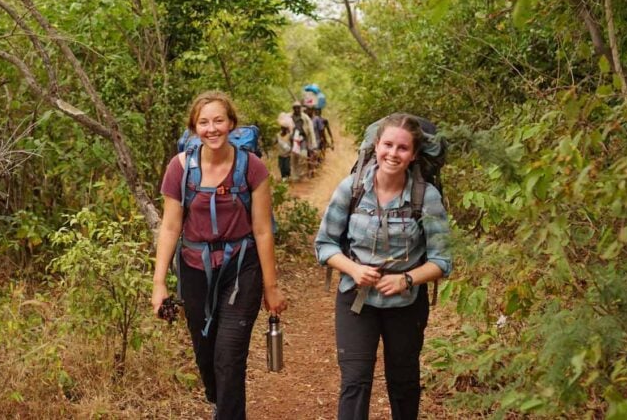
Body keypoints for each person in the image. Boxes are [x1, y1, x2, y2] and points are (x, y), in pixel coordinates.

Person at [152, 91, 287, 420]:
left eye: (218, 121)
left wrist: (271, 287)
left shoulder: (251, 167)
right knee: (206, 357)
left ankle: (227, 413)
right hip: (194, 269)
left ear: (231, 124)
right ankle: (220, 404)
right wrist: (159, 284)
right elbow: (170, 228)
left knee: (229, 357)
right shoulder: (180, 168)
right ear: (194, 128)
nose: (212, 128)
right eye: (204, 122)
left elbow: (263, 230)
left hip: (242, 269)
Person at [314, 113, 452, 420]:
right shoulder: (351, 189)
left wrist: (407, 279)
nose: (393, 153)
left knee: (403, 383)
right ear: (376, 146)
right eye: (387, 145)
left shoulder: (425, 197)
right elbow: (324, 245)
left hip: (406, 303)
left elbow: (442, 261)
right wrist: (353, 269)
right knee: (355, 381)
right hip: (356, 298)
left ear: (414, 154)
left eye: (402, 148)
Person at [290, 101, 316, 180]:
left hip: (302, 138)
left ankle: (302, 174)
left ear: (300, 108)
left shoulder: (305, 117)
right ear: (293, 109)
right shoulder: (290, 117)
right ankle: (295, 175)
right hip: (293, 139)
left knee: (303, 155)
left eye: (298, 108)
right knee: (294, 157)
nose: (297, 109)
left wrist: (313, 143)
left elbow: (311, 130)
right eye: (295, 108)